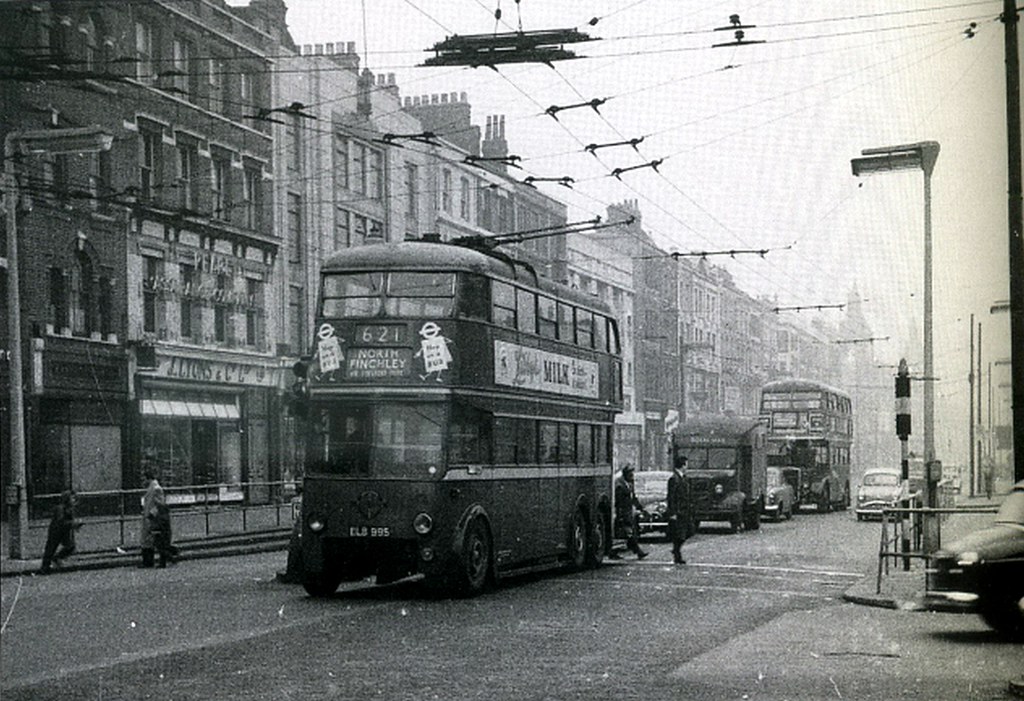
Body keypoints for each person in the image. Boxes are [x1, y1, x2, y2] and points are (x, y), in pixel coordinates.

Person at [611, 464, 648, 560]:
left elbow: (633, 498)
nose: (632, 475)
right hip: (623, 512)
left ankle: (613, 552)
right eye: (630, 473)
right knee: (628, 533)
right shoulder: (620, 486)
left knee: (626, 534)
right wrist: (619, 514)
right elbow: (618, 502)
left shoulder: (630, 484)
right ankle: (638, 552)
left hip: (628, 512)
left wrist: (640, 508)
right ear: (626, 474)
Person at [39, 490, 81, 574]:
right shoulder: (60, 508)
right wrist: (73, 523)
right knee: (51, 549)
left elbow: (70, 520)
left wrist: (75, 524)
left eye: (74, 498)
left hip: (65, 530)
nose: (73, 500)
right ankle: (45, 567)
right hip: (56, 531)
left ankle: (56, 558)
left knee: (71, 546)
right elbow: (60, 522)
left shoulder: (70, 509)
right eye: (71, 498)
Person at [140, 469, 175, 568]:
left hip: (152, 519)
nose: (143, 481)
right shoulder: (152, 488)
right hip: (149, 518)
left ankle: (149, 562)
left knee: (151, 540)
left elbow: (160, 504)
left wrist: (151, 514)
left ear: (148, 478)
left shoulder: (156, 488)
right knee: (148, 539)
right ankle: (148, 561)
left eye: (144, 479)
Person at [667, 455, 692, 565]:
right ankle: (677, 554)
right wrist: (672, 512)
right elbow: (671, 496)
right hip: (679, 510)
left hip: (684, 510)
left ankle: (676, 549)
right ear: (682, 465)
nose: (687, 466)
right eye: (686, 464)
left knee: (689, 530)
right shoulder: (674, 478)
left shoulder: (683, 477)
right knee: (681, 533)